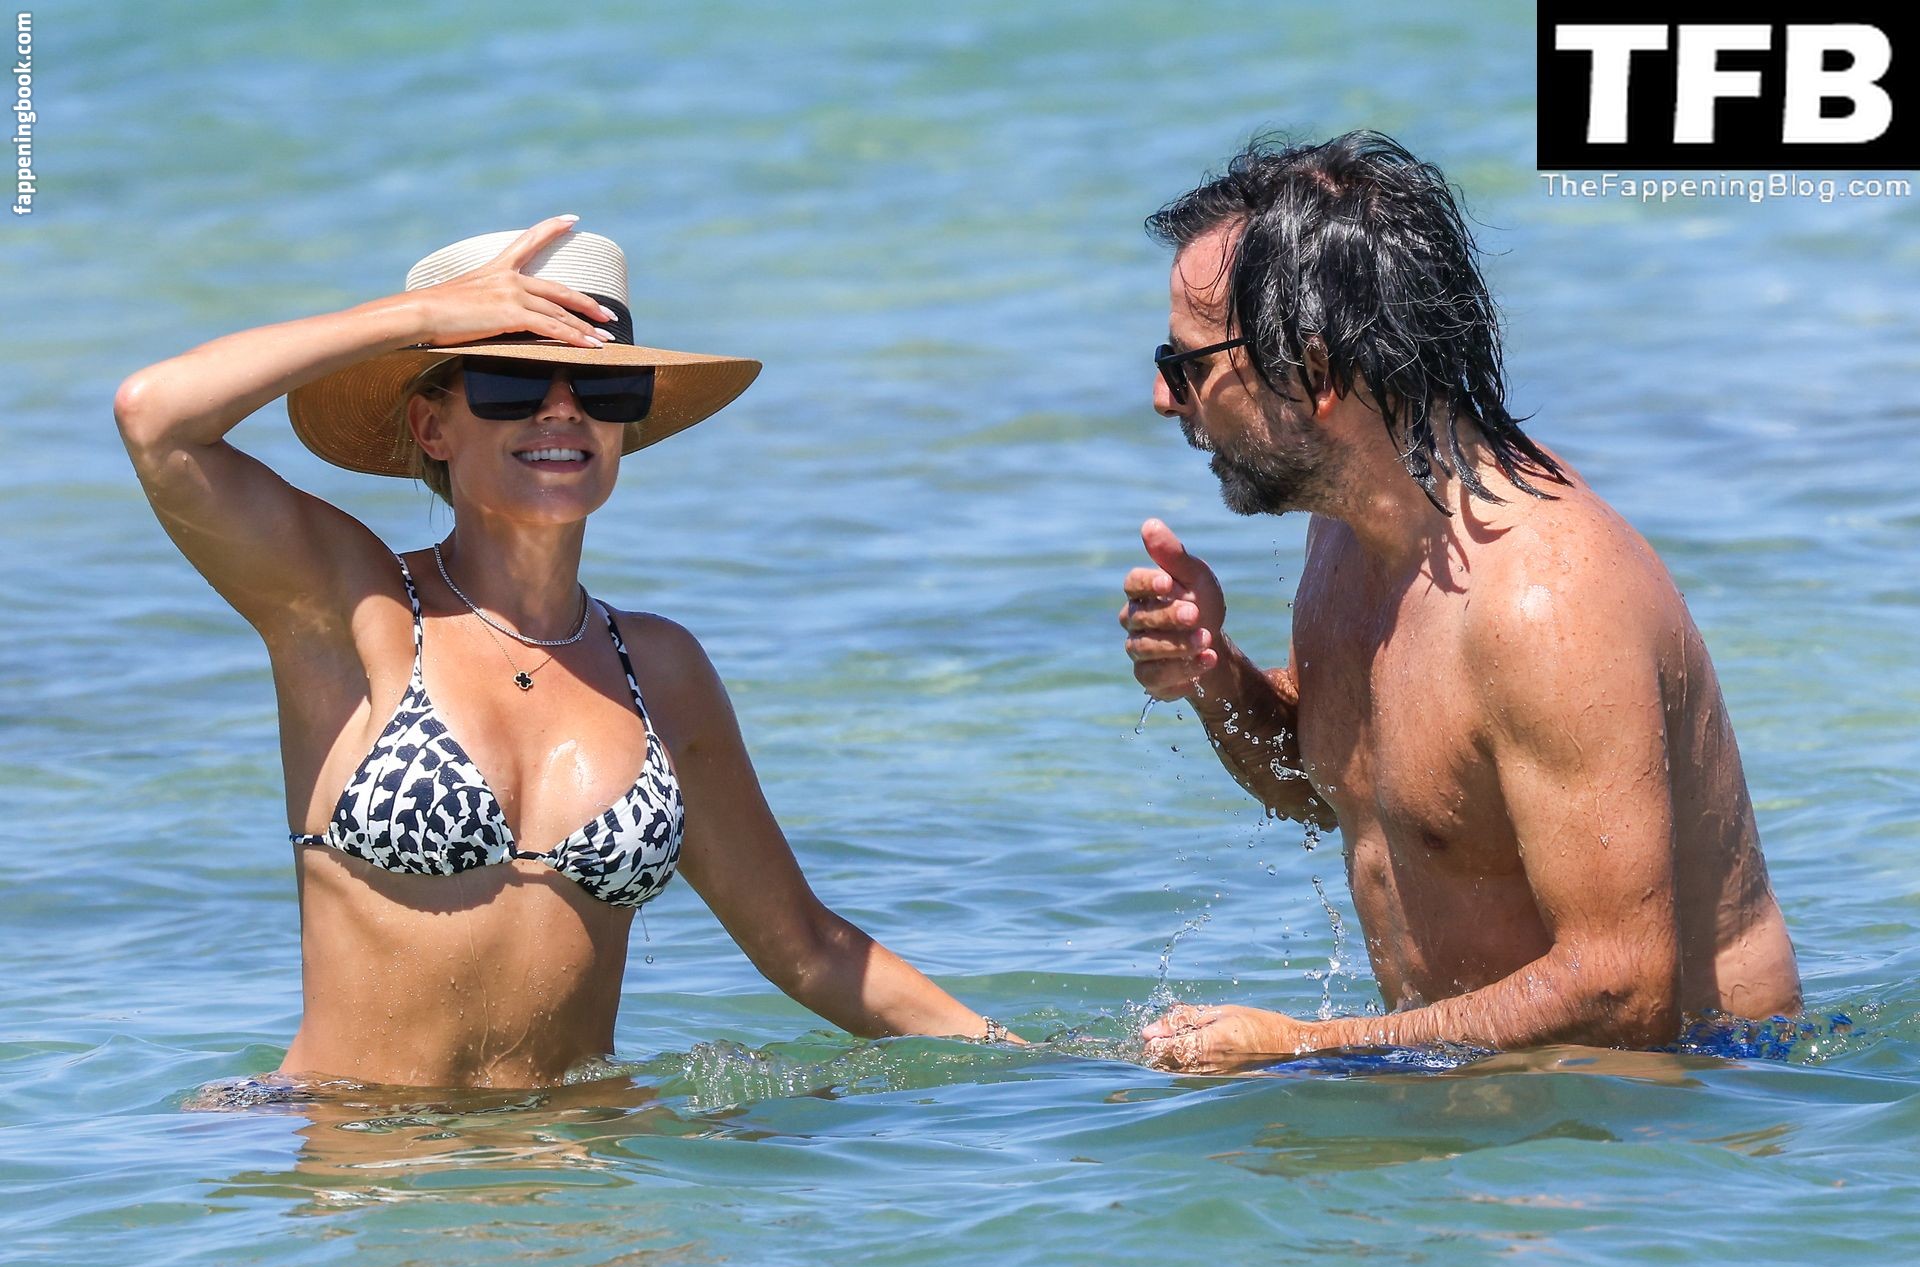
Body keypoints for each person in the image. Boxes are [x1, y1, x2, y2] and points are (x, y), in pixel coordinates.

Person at [117, 215, 1011, 1089]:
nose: (561, 409)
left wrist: (1032, 1066)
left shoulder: (656, 668)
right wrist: (421, 320)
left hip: (579, 1158)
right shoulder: (355, 608)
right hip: (373, 1163)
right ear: (432, 427)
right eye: (511, 380)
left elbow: (807, 948)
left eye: (600, 389)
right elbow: (156, 416)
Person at [1118, 134, 1800, 1073]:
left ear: (1314, 374)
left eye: (1188, 363)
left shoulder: (1543, 603)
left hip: (1691, 1103)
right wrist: (1213, 675)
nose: (1165, 398)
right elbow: (1346, 792)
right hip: (1504, 1086)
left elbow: (1622, 991)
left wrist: (1304, 1046)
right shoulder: (1348, 536)